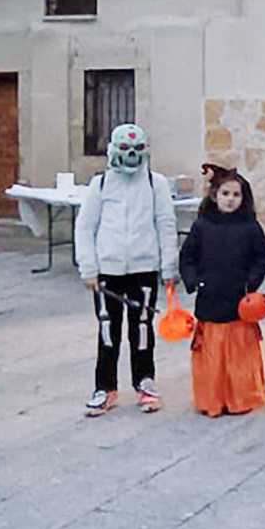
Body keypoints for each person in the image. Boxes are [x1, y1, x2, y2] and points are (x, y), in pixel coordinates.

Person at [76, 123, 179, 416]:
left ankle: (145, 383)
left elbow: (165, 224)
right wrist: (88, 268)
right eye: (124, 149)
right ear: (112, 150)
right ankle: (104, 388)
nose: (130, 155)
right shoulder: (100, 184)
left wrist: (168, 265)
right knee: (109, 331)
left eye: (136, 149)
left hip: (144, 269)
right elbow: (85, 227)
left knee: (142, 330)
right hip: (107, 272)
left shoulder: (155, 183)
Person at [178, 165, 265, 417]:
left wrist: (251, 285)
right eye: (225, 193)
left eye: (236, 195)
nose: (230, 199)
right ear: (214, 195)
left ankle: (240, 397)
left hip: (240, 302)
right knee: (212, 357)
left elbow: (262, 259)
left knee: (238, 357)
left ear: (244, 198)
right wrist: (192, 280)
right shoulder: (201, 226)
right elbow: (187, 257)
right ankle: (212, 399)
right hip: (209, 298)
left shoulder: (251, 227)